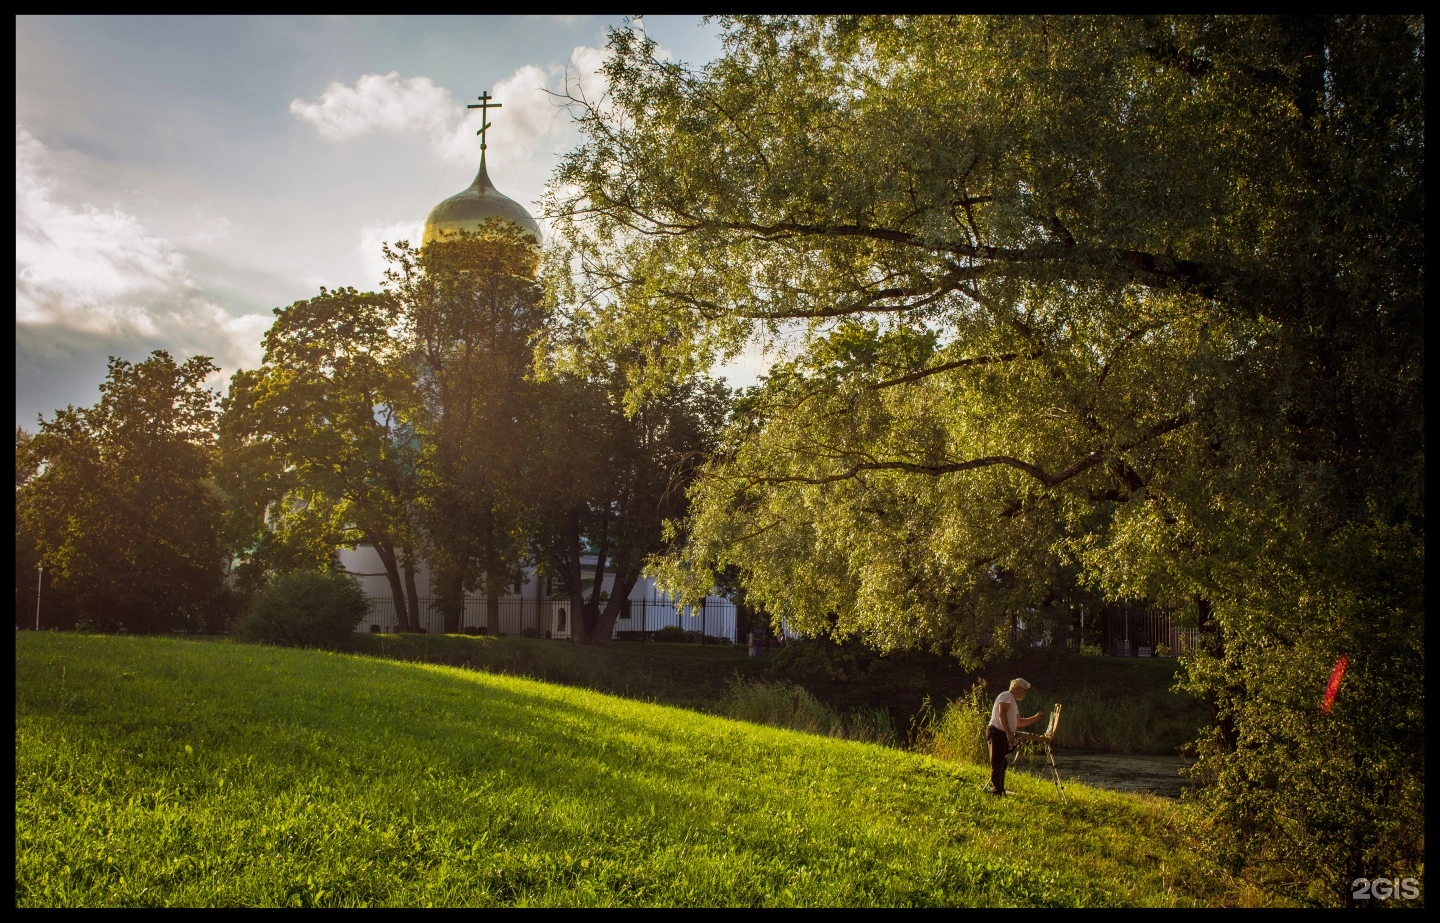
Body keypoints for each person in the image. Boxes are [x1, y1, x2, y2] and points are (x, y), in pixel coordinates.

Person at [986, 678, 1045, 796]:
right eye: (1025, 690)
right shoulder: (1007, 696)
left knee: (1002, 763)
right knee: (997, 763)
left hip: (1002, 733)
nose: (1025, 693)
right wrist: (1009, 733)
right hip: (996, 732)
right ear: (1018, 689)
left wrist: (1036, 717)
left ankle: (1000, 789)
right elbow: (1002, 714)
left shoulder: (1012, 701)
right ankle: (996, 792)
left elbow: (1019, 722)